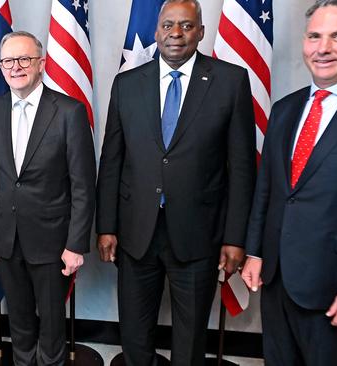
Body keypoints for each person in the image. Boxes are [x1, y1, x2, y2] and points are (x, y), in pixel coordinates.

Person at [95, 0, 257, 364]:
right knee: (135, 336)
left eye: (186, 26)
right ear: (156, 32)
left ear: (201, 32)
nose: (176, 34)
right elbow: (112, 161)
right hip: (137, 233)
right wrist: (106, 226)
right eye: (168, 25)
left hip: (199, 234)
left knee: (190, 337)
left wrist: (235, 238)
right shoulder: (126, 85)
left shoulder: (230, 82)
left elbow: (243, 168)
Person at [241, 1, 337, 365]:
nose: (323, 48)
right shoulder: (287, 108)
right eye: (314, 36)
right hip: (276, 280)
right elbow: (269, 188)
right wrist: (255, 250)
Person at [0, 31, 96, 366]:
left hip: (52, 239)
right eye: (8, 61)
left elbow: (83, 186)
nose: (16, 67)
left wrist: (75, 244)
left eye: (24, 59)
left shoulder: (69, 112)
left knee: (51, 326)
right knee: (19, 322)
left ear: (41, 64)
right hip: (5, 237)